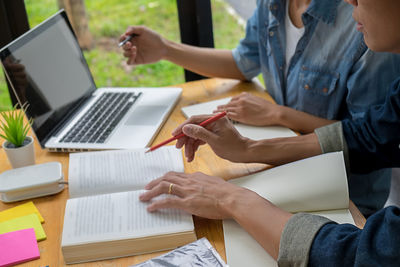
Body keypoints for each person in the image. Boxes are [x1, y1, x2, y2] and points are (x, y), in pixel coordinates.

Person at [139, 0, 400, 265]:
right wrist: (248, 149)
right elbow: (372, 134)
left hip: (345, 197)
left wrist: (232, 199)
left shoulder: (362, 33)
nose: (351, 0)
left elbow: (367, 255)